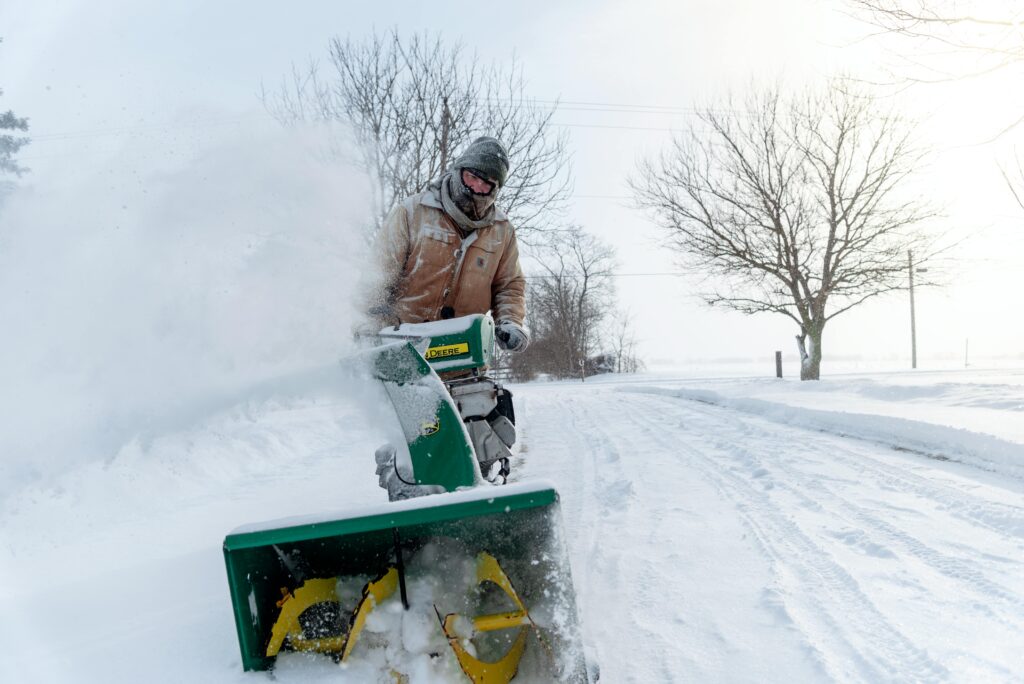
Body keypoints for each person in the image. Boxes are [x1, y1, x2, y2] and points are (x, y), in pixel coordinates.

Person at [364, 136, 530, 353]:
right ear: (459, 171)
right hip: (405, 347)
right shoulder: (414, 212)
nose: (477, 187)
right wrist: (368, 321)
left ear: (495, 189)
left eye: (487, 183)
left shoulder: (502, 231)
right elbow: (378, 273)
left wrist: (510, 321)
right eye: (472, 177)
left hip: (464, 351)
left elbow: (509, 285)